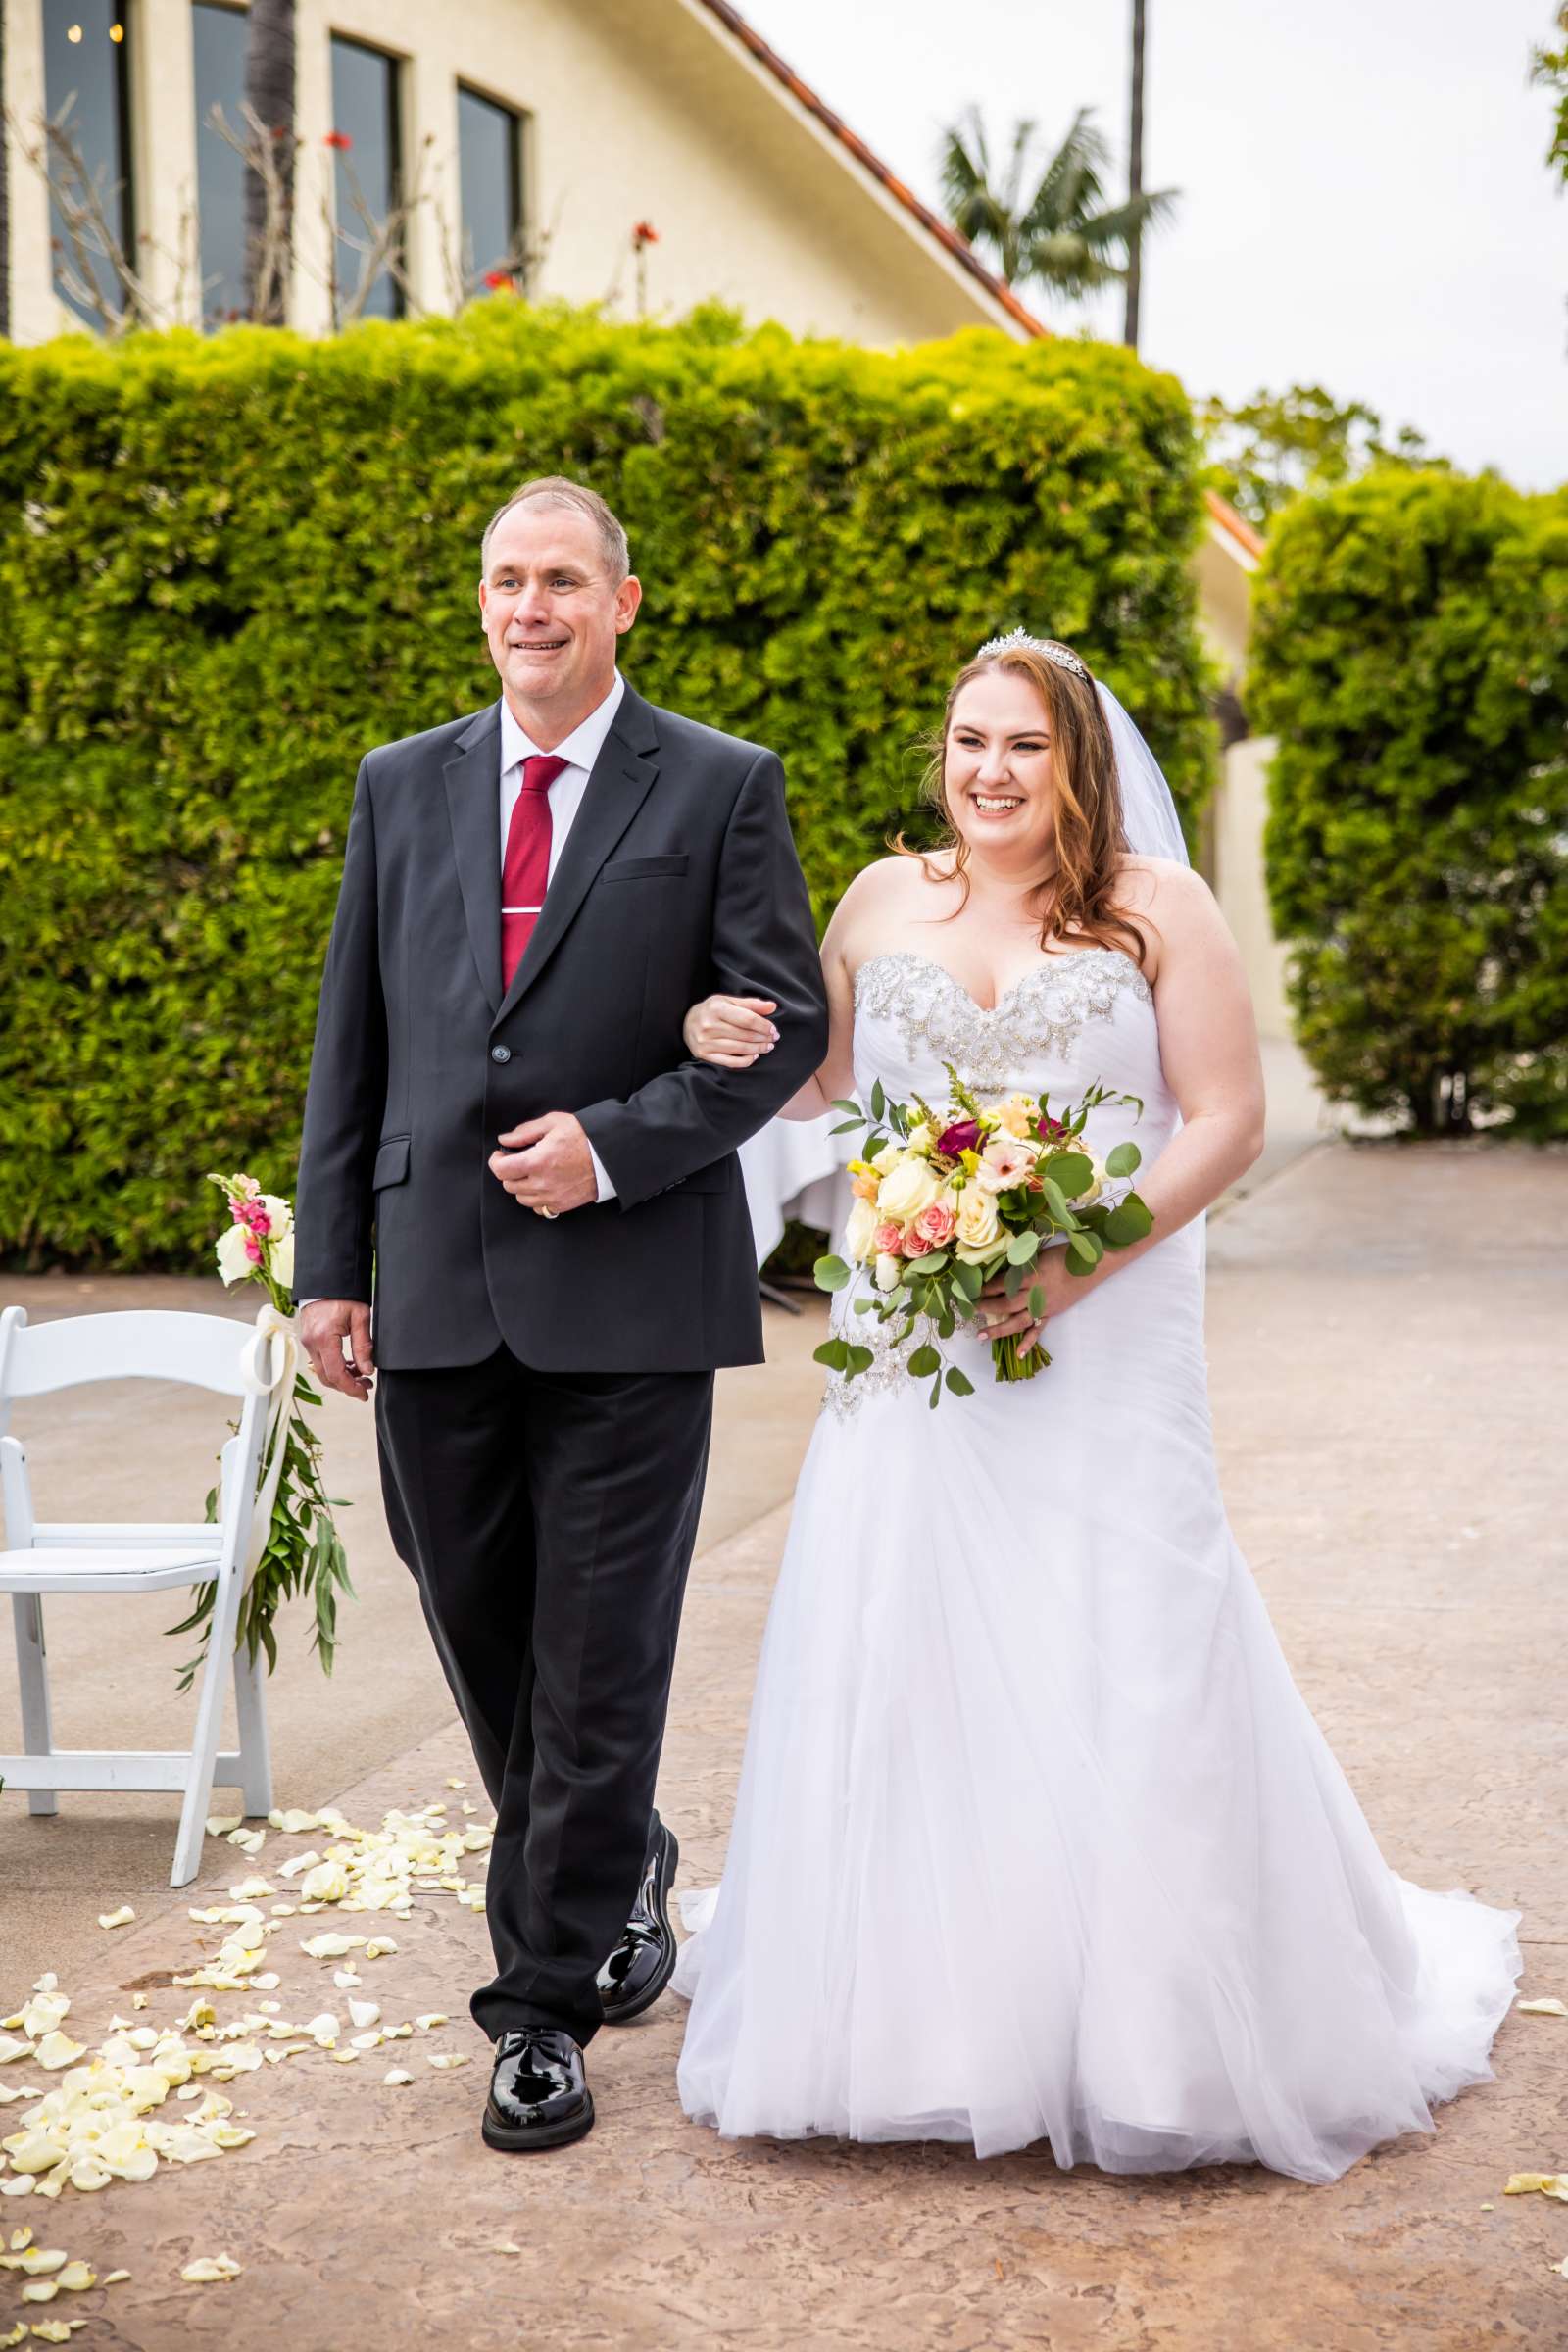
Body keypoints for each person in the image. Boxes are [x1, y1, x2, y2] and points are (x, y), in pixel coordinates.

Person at [670, 631, 1521, 2180]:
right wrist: (732, 1039)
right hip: (913, 1341)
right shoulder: (879, 900)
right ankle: (921, 2023)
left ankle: (1153, 2033)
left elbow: (1230, 1116)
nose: (987, 772)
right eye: (964, 740)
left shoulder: (1156, 910)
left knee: (1126, 1621)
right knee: (906, 1624)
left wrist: (1076, 1262)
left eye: (1022, 746)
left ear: (1079, 760)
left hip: (1108, 1327)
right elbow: (823, 1091)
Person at [293, 477, 828, 2153]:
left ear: (623, 602)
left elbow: (790, 1019)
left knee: (602, 1658)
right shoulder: (404, 784)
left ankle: (542, 2005)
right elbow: (351, 1042)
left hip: (633, 1294)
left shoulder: (723, 785)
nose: (529, 607)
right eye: (505, 581)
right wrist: (331, 1267)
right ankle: (622, 1858)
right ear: (484, 602)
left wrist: (616, 1147)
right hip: (433, 1281)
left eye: (561, 582)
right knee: (483, 1629)